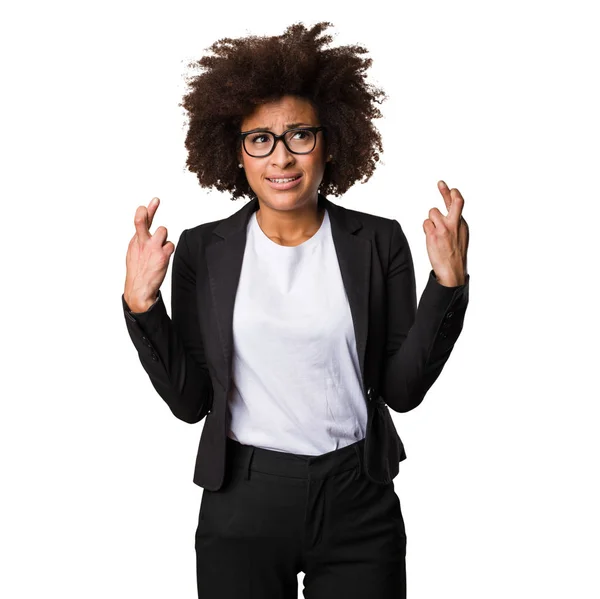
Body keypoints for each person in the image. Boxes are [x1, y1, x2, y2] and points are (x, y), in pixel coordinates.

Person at [122, 21, 470, 599]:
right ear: (236, 153)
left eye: (299, 136)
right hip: (243, 499)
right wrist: (142, 306)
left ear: (328, 143)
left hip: (358, 498)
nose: (280, 157)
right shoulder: (204, 250)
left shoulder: (378, 242)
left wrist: (447, 284)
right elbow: (190, 403)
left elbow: (403, 391)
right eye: (259, 138)